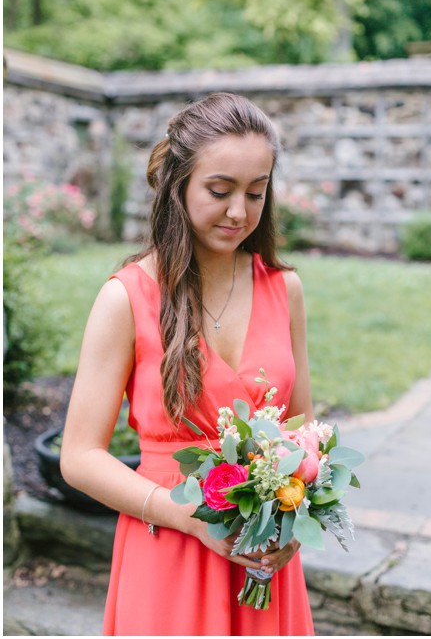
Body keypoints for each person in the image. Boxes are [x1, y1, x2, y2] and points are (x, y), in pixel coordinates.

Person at [61, 92, 315, 635]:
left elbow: (300, 431)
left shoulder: (285, 289)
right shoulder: (126, 298)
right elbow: (79, 456)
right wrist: (188, 518)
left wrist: (293, 520)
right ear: (177, 185)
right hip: (167, 546)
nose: (239, 212)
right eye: (219, 191)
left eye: (257, 192)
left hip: (261, 564)